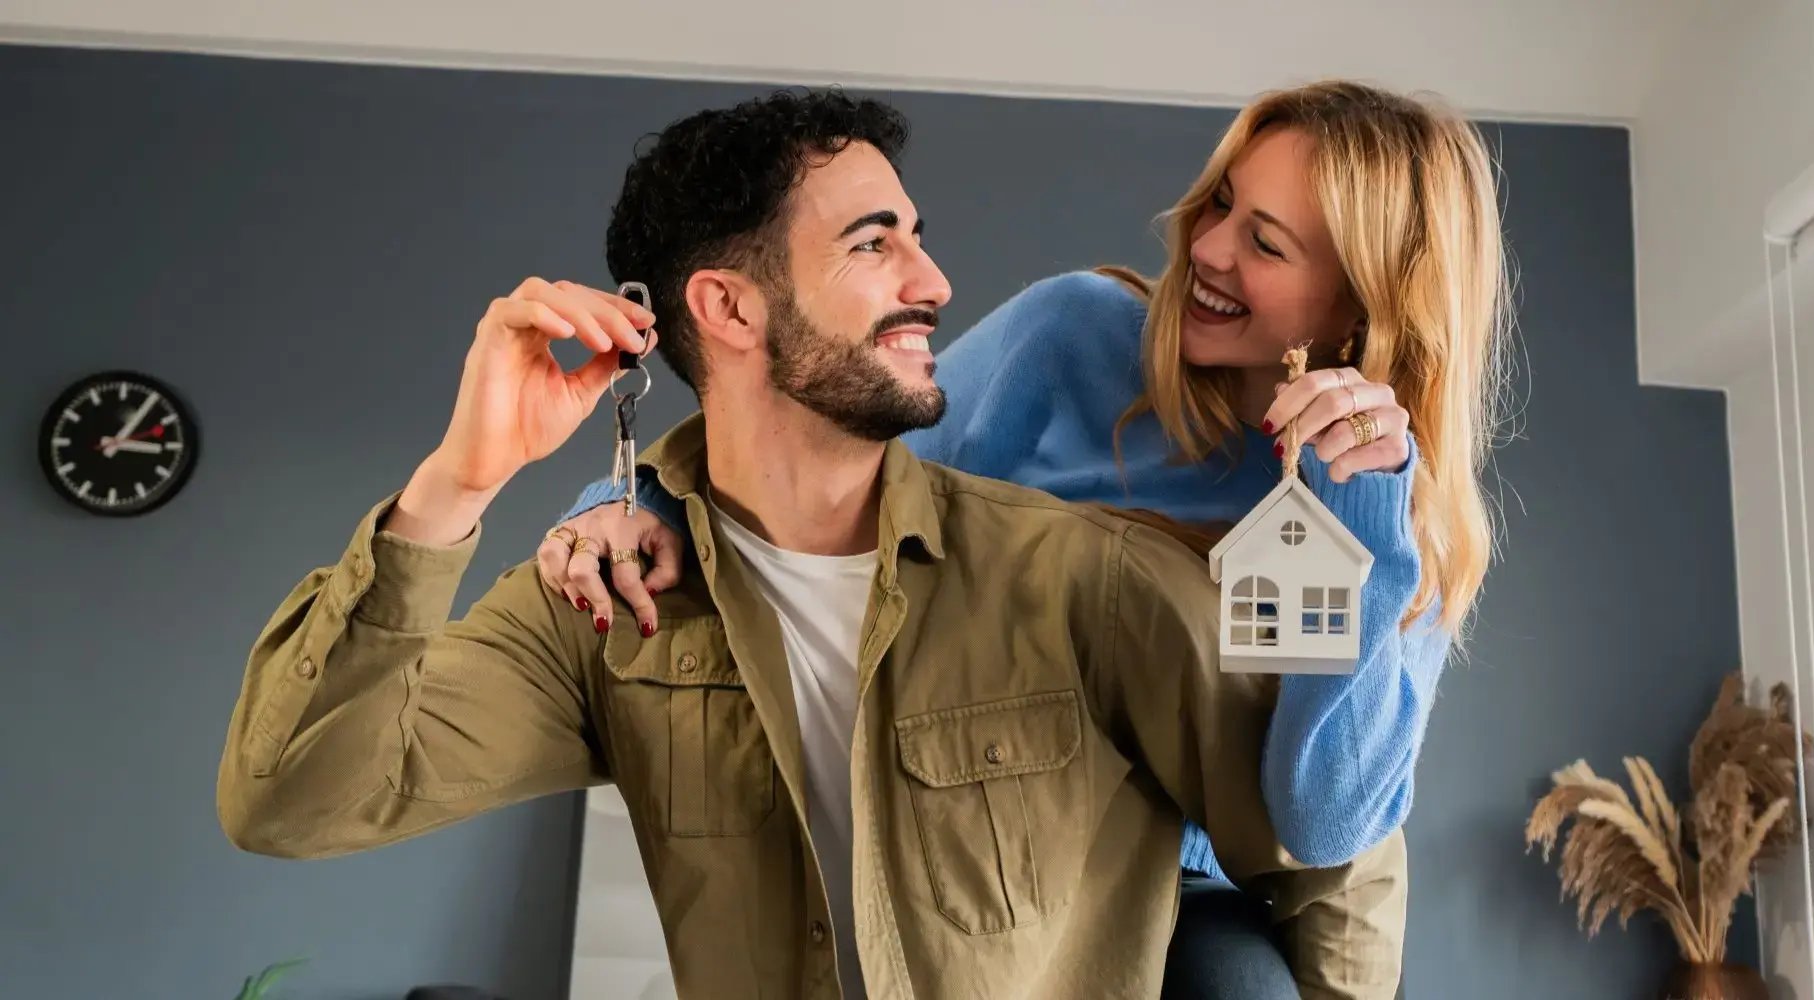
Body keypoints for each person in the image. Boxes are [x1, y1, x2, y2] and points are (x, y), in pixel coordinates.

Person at [215, 89, 1401, 1000]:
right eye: (873, 244)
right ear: (727, 309)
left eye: (917, 238)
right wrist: (459, 482)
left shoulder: (1088, 579)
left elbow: (1328, 862)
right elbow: (291, 800)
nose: (934, 281)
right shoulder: (602, 603)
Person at [538, 79, 1510, 995]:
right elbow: (830, 449)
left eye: (1263, 242)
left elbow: (1322, 817)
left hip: (1181, 885)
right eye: (1216, 203)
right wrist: (629, 502)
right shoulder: (1072, 337)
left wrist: (1369, 508)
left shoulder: (1384, 513)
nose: (1206, 249)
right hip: (962, 822)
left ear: (1359, 301)